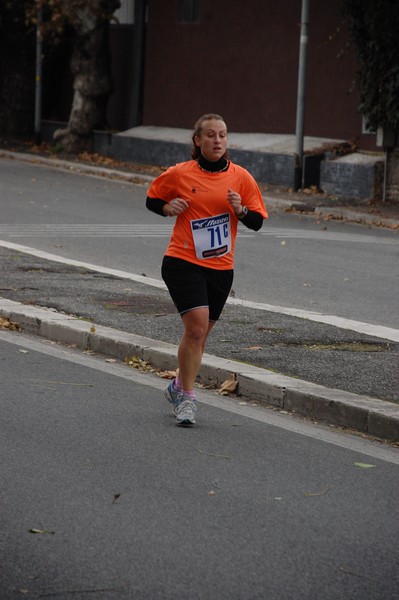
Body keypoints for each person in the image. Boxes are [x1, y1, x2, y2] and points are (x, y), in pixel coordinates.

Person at [146, 113, 268, 426]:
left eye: (222, 135)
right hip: (182, 261)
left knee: (200, 337)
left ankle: (177, 386)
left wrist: (240, 210)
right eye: (210, 135)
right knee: (197, 328)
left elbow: (257, 220)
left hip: (221, 268)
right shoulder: (180, 174)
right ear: (198, 140)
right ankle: (187, 400)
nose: (217, 141)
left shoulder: (241, 177)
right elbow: (153, 198)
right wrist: (166, 208)